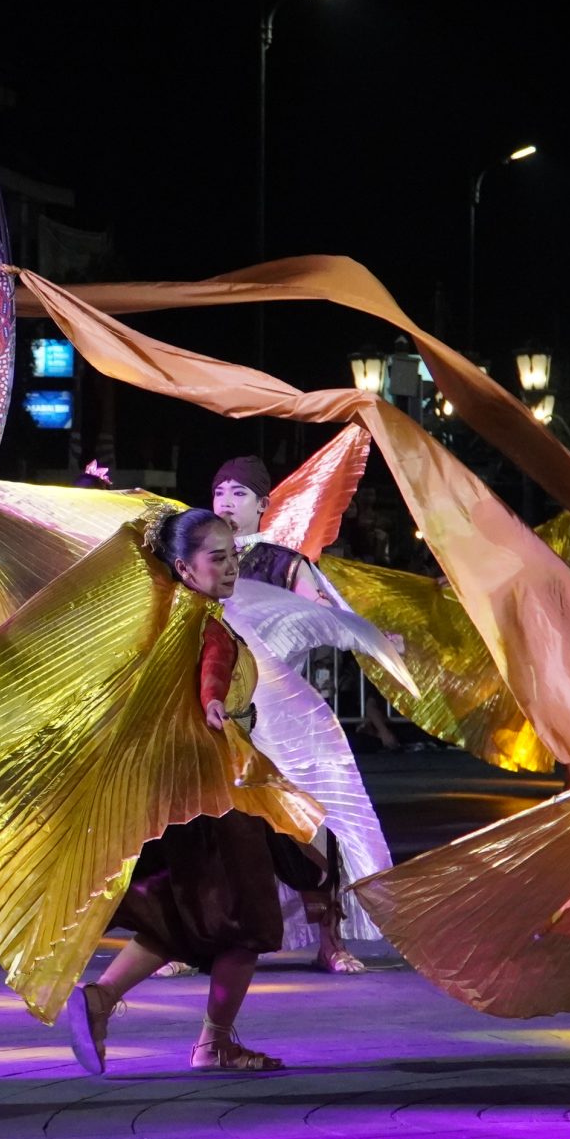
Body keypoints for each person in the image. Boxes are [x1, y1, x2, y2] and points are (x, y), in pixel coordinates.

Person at [64, 509, 304, 1074]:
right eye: (216, 557)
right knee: (248, 922)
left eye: (233, 555)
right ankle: (214, 1043)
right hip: (215, 794)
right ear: (183, 567)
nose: (230, 567)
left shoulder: (157, 622)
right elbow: (213, 669)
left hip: (170, 796)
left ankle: (100, 999)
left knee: (180, 918)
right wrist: (214, 703)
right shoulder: (202, 624)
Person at [208, 454, 386, 972]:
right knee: (210, 828)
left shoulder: (285, 563)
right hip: (223, 714)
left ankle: (329, 939)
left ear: (264, 505)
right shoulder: (200, 558)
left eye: (239, 493)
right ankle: (187, 939)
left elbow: (322, 617)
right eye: (219, 491)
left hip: (284, 717)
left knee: (308, 827)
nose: (226, 502)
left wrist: (360, 631)